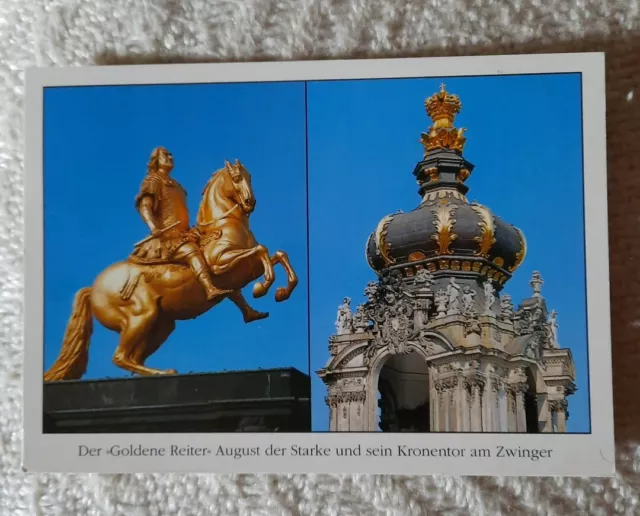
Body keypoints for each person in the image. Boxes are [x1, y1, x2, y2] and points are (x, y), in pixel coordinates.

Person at [131, 146, 219, 300]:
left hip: (184, 234)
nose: (170, 157)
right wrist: (153, 227)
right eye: (165, 155)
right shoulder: (153, 180)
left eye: (171, 154)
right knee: (192, 251)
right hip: (167, 239)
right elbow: (145, 205)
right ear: (156, 160)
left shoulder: (177, 185)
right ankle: (210, 289)